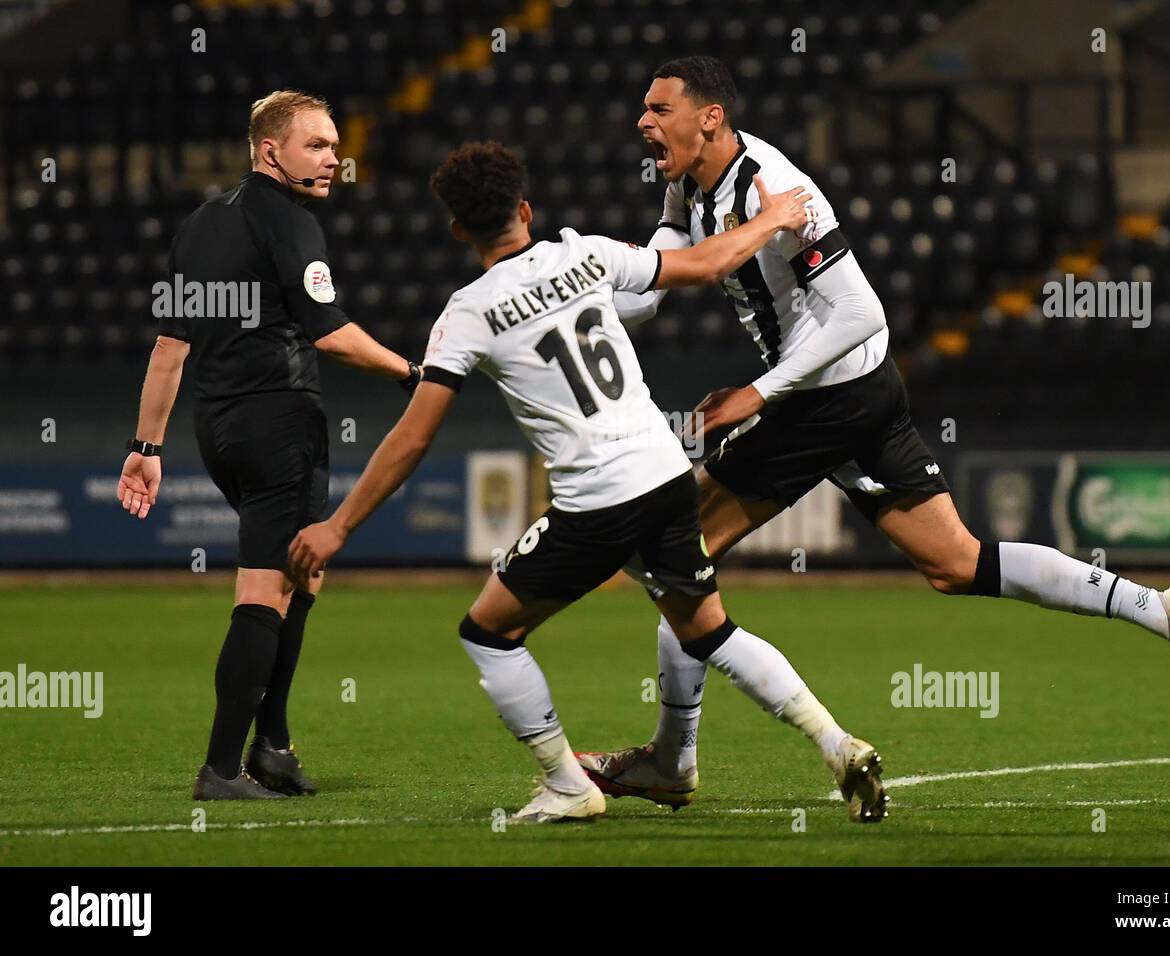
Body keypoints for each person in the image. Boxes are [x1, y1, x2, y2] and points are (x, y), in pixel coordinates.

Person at [577, 55, 1170, 809]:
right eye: (644, 107)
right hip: (856, 392)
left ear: (710, 118)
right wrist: (580, 295)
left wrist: (758, 395)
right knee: (955, 563)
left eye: (659, 108)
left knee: (674, 554)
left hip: (825, 396)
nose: (643, 120)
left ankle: (674, 760)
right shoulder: (685, 185)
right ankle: (1165, 610)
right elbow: (662, 278)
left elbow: (864, 314)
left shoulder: (779, 189)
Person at [288, 140, 888, 824]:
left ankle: (568, 785)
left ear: (457, 229)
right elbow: (702, 263)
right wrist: (772, 217)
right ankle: (836, 743)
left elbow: (413, 437)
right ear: (525, 208)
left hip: (597, 501)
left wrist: (337, 526)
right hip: (666, 475)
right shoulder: (588, 253)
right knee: (708, 632)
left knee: (488, 631)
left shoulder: (467, 313)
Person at [117, 90, 425, 800]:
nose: (333, 156)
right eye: (316, 144)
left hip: (217, 427)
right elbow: (330, 333)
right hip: (280, 423)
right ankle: (222, 769)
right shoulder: (289, 222)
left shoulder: (199, 224)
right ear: (270, 151)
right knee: (265, 590)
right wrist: (411, 371)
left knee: (301, 576)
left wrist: (147, 446)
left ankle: (274, 745)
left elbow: (170, 347)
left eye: (334, 143)